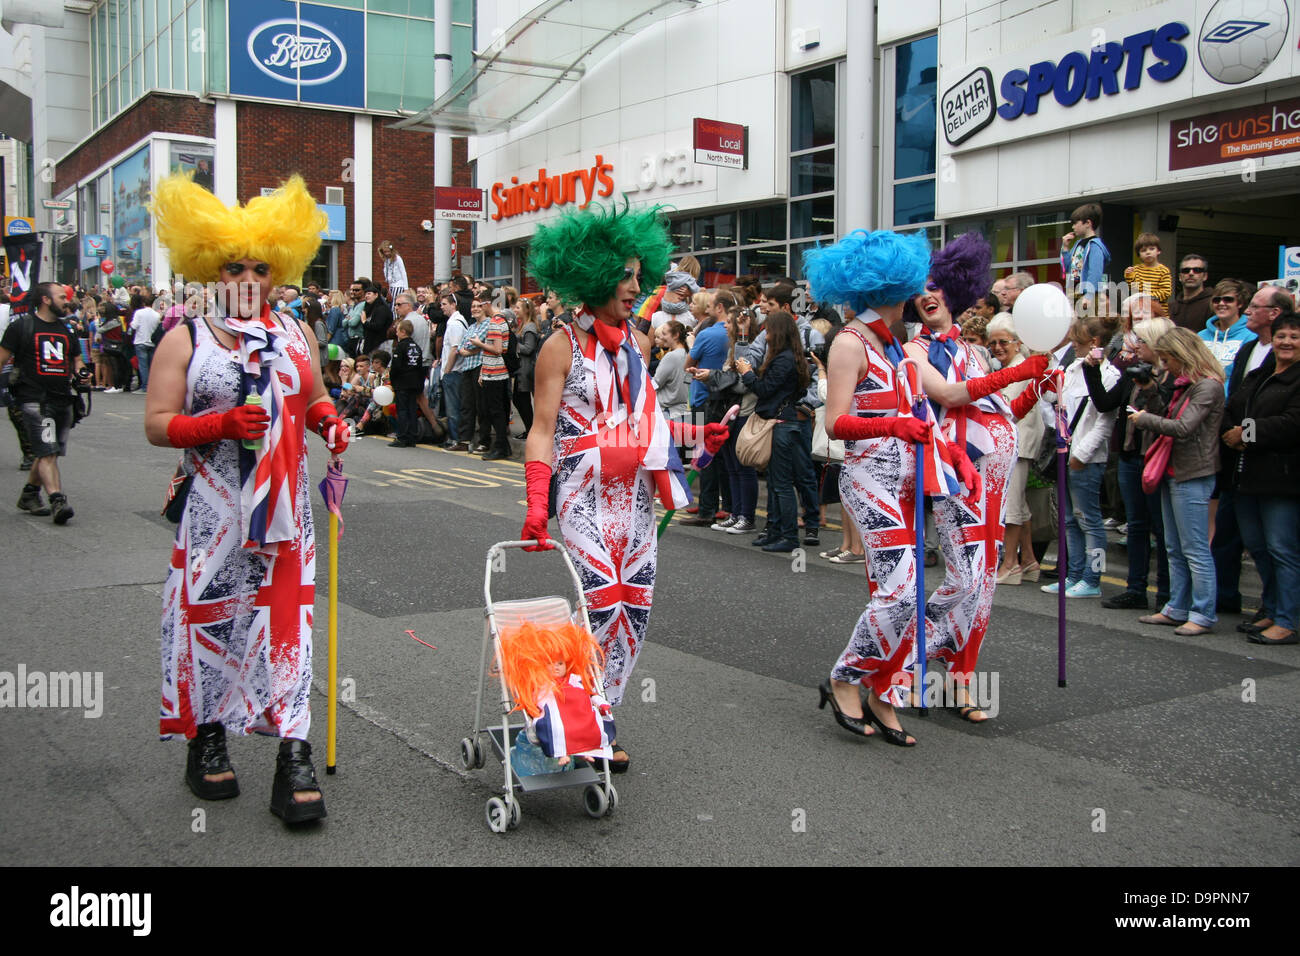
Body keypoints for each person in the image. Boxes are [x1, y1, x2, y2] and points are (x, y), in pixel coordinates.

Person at [145, 173, 349, 824]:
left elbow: (313, 394)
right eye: (235, 265)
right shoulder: (188, 337)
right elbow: (157, 422)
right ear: (210, 266)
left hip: (286, 517)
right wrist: (219, 425)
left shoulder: (295, 335)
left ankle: (294, 754)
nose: (250, 277)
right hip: (214, 516)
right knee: (216, 624)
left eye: (263, 266)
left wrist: (329, 421)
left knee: (286, 630)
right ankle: (207, 738)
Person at [521, 203, 727, 772]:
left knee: (634, 610)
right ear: (594, 275)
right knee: (601, 606)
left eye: (641, 273)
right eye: (628, 274)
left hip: (634, 495)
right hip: (584, 493)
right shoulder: (559, 345)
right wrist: (538, 502)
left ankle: (597, 719)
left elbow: (646, 425)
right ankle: (562, 710)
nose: (639, 286)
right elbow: (540, 431)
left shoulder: (636, 344)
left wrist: (692, 435)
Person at [901, 233, 1048, 719]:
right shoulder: (915, 352)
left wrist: (1038, 386)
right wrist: (1017, 370)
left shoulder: (973, 350)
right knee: (965, 579)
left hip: (996, 487)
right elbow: (950, 396)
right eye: (919, 288)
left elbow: (999, 413)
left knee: (983, 588)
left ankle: (961, 680)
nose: (928, 294)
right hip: (956, 480)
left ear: (954, 292)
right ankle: (904, 649)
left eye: (936, 286)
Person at [804, 229, 934, 746]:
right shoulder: (848, 343)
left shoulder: (895, 344)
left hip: (906, 482)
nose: (912, 298)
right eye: (906, 289)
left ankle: (885, 692)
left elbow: (922, 411)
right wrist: (892, 426)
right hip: (868, 481)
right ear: (887, 288)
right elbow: (836, 422)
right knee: (900, 593)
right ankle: (844, 677)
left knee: (906, 595)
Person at [1130, 329, 1226, 636]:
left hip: (1193, 473)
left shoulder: (1207, 387)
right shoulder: (1186, 386)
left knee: (1195, 548)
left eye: (1167, 359)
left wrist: (1144, 419)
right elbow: (1170, 418)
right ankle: (1177, 607)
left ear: (1182, 355)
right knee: (1173, 547)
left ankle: (1203, 612)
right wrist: (1150, 392)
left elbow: (1183, 428)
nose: (1165, 366)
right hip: (1175, 471)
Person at [1222, 309, 1300, 645]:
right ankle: (1271, 608)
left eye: (1294, 337)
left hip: (1282, 480)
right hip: (1246, 477)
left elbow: (1291, 423)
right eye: (1281, 335)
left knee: (1282, 549)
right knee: (1258, 547)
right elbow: (1230, 409)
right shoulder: (1260, 374)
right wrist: (1231, 432)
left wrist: (1244, 433)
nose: (1286, 341)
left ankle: (1288, 620)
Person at [1086, 316, 1175, 610]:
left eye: (1142, 341)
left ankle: (1166, 592)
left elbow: (1165, 413)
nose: (1135, 347)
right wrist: (1092, 371)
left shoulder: (1174, 378)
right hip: (1129, 457)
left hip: (1157, 459)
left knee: (1161, 530)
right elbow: (1105, 403)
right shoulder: (1132, 374)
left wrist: (1149, 384)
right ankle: (1136, 589)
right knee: (1136, 526)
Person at [1038, 317, 1118, 598]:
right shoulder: (1073, 367)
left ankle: (1093, 579)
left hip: (1087, 459)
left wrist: (1082, 454)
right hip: (1066, 452)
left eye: (1078, 341)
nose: (1073, 345)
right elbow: (1054, 402)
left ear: (1094, 343)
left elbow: (1104, 422)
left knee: (1090, 520)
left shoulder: (1109, 374)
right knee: (1069, 519)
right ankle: (1073, 574)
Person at [0, 282, 88, 524]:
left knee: (49, 451)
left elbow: (77, 361)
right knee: (48, 451)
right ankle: (57, 500)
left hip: (63, 399)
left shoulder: (68, 329)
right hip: (35, 401)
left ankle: (29, 495)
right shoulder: (21, 327)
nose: (67, 301)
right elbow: (2, 358)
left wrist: (82, 374)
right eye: (61, 297)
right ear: (46, 300)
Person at [735, 310, 811, 553]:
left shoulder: (784, 359)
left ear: (777, 332)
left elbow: (764, 389)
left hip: (781, 424)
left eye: (768, 330)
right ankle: (775, 530)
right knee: (776, 483)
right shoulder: (790, 357)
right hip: (784, 422)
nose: (765, 335)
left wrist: (747, 374)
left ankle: (788, 536)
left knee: (781, 485)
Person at [987, 314, 1044, 584]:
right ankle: (1030, 560)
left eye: (1003, 342)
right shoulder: (1008, 368)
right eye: (993, 343)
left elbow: (1006, 410)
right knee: (1019, 505)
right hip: (1017, 442)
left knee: (1011, 508)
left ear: (1018, 343)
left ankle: (1010, 565)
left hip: (1018, 443)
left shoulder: (1019, 368)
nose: (997, 347)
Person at [1198, 278, 1255, 386]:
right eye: (1216, 300)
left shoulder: (1251, 335)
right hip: (1202, 397)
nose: (1221, 303)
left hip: (1232, 398)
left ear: (1240, 303)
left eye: (1228, 299)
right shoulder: (1200, 336)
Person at [1060, 202, 1110, 298]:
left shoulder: (1095, 245)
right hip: (1074, 292)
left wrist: (1089, 295)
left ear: (1087, 223)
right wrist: (1065, 248)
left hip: (1088, 295)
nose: (1073, 227)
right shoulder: (1078, 244)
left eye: (1075, 223)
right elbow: (1066, 268)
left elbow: (1095, 272)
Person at [438, 292, 469, 449]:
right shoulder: (455, 321)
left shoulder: (455, 323)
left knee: (453, 407)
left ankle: (455, 438)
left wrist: (447, 371)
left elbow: (454, 349)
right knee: (454, 406)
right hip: (455, 371)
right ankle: (454, 438)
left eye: (444, 304)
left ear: (453, 304)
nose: (441, 307)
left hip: (454, 372)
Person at [388, 317, 424, 448]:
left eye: (397, 331)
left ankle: (402, 437)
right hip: (414, 383)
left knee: (402, 410)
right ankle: (412, 436)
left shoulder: (401, 346)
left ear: (403, 331)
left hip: (402, 383)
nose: (396, 333)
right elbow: (420, 366)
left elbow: (396, 367)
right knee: (411, 409)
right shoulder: (417, 347)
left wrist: (393, 381)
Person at [513, 297, 540, 436]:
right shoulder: (523, 325)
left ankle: (531, 429)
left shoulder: (530, 327)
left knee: (522, 400)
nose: (515, 310)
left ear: (526, 310)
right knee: (519, 399)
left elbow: (529, 348)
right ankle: (529, 429)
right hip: (521, 368)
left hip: (526, 369)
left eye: (518, 307)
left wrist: (513, 344)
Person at [1124, 232, 1172, 305]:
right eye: (1143, 250)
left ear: (1158, 251)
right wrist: (1129, 276)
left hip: (1158, 311)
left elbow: (1166, 292)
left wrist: (1148, 298)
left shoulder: (1164, 270)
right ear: (1139, 255)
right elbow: (1134, 290)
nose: (1148, 252)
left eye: (1151, 249)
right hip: (1140, 310)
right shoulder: (1136, 269)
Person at [1169, 254, 1213, 332]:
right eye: (1186, 270)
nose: (1191, 273)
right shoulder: (1171, 308)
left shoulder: (1213, 304)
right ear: (1180, 277)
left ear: (1205, 276)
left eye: (1197, 270)